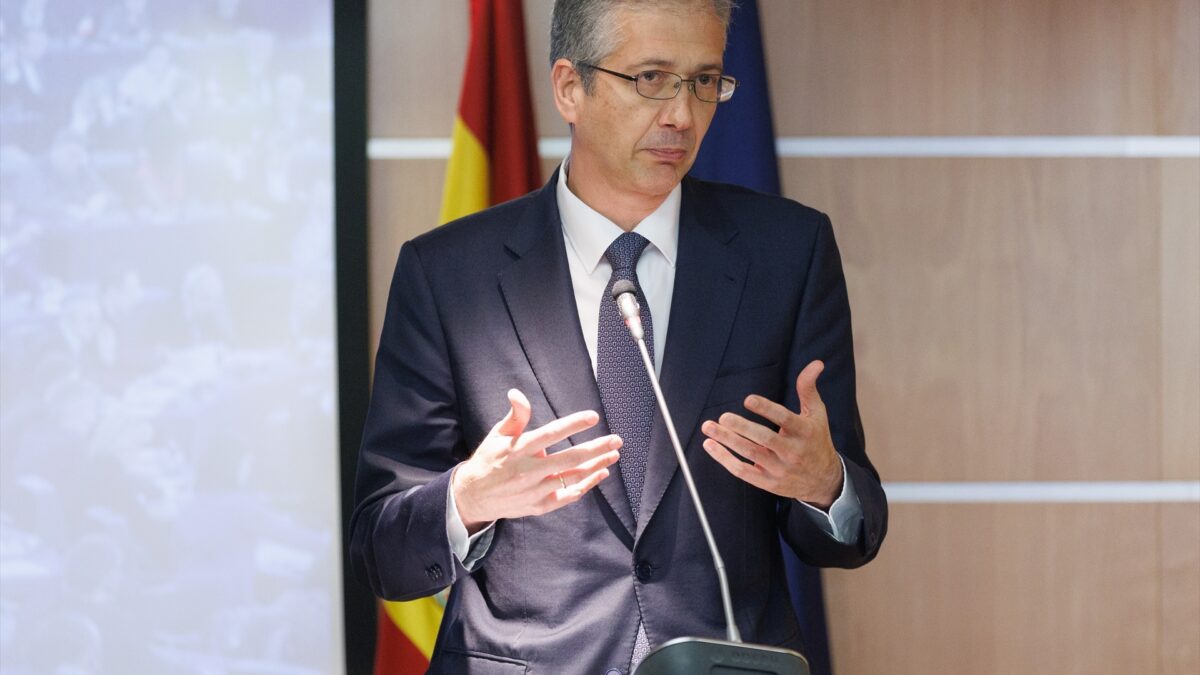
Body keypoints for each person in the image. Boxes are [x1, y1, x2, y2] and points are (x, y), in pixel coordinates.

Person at [350, 1, 888, 673]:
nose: (682, 116)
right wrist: (467, 498)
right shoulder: (448, 275)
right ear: (569, 87)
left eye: (704, 81)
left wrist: (824, 483)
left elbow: (855, 527)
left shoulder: (787, 252)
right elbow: (380, 548)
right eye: (652, 78)